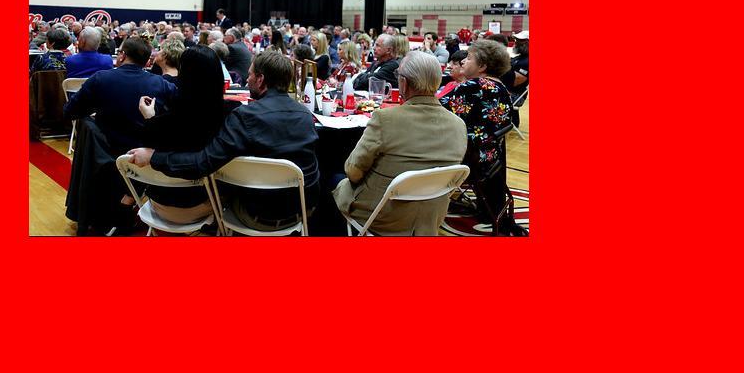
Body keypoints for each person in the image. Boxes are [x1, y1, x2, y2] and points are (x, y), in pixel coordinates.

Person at [128, 49, 320, 232]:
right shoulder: (306, 114)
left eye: (250, 74)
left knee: (225, 176)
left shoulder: (244, 116)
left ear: (261, 80)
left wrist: (154, 157)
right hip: (304, 212)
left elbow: (203, 163)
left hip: (254, 215)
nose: (247, 79)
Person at [333, 52, 467, 235]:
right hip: (430, 218)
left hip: (382, 216)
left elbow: (353, 172)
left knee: (333, 179)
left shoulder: (385, 119)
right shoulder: (458, 125)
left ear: (403, 82)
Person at [135, 46, 225, 225]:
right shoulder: (227, 116)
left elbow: (152, 144)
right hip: (207, 204)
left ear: (183, 73)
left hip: (160, 204)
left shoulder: (166, 118)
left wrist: (150, 119)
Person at [63, 36, 177, 157]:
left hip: (105, 154)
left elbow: (69, 111)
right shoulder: (162, 84)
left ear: (122, 55)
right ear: (147, 62)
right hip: (146, 155)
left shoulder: (100, 78)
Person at [439, 40, 513, 216]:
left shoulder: (473, 86)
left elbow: (433, 109)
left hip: (469, 158)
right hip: (490, 157)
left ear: (482, 66)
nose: (463, 61)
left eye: (469, 58)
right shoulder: (501, 87)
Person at [509, 30, 529, 100]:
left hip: (515, 95)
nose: (516, 42)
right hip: (509, 92)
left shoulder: (527, 61)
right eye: (516, 40)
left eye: (520, 40)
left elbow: (515, 82)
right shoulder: (520, 57)